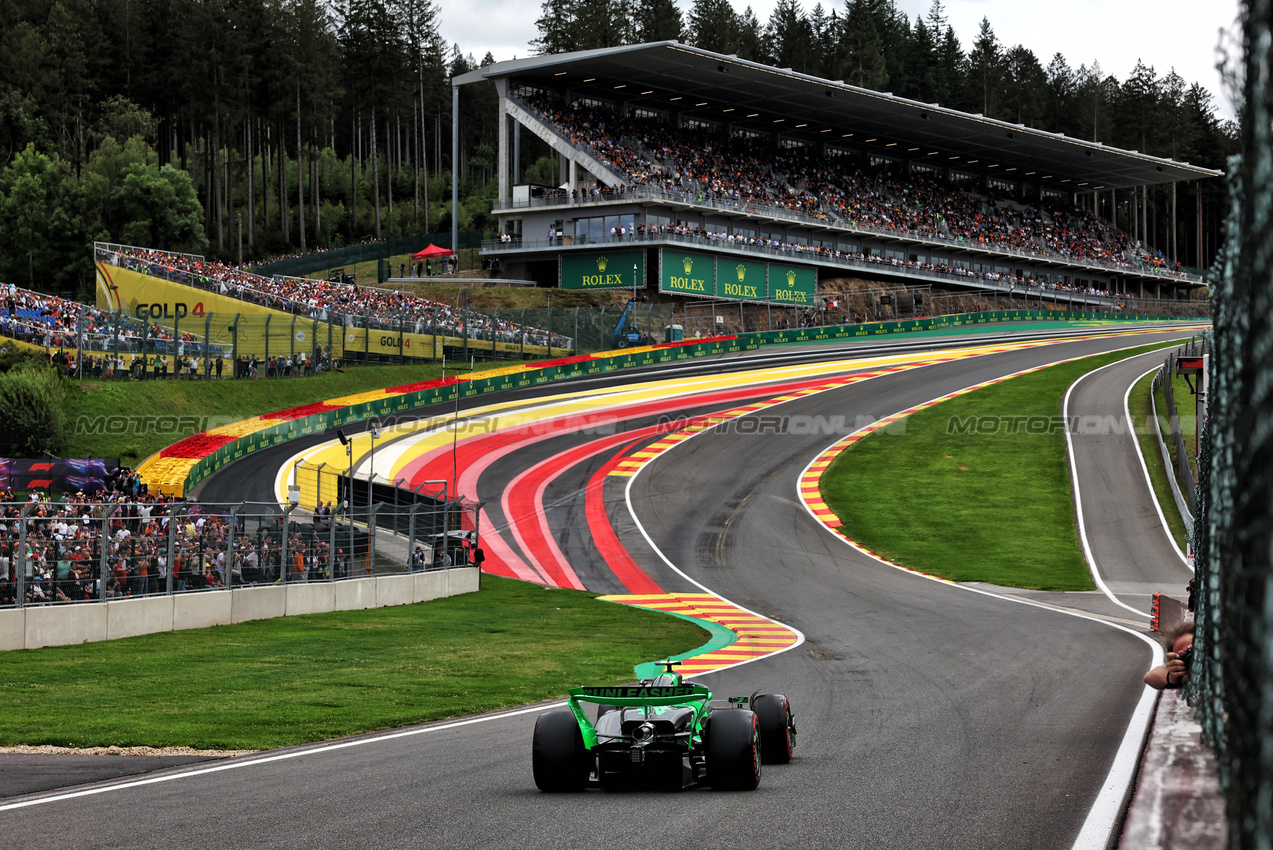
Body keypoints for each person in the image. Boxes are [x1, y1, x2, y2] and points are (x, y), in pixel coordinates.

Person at [1144, 621, 1194, 690]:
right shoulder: (1185, 675)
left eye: (1191, 647)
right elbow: (1149, 676)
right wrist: (1170, 677)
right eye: (1184, 654)